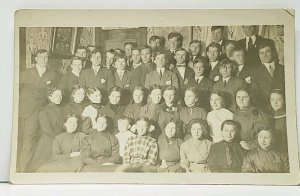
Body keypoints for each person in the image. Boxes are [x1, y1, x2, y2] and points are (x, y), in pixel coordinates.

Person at [18, 49, 59, 172]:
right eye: (41, 57)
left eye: (46, 57)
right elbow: (15, 91)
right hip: (28, 112)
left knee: (42, 140)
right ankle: (22, 171)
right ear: (35, 58)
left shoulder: (53, 75)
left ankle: (37, 169)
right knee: (27, 141)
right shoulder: (25, 73)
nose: (44, 59)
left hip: (43, 112)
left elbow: (53, 93)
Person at [28, 87, 64, 172]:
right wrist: (58, 139)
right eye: (56, 95)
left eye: (60, 95)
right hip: (48, 141)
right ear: (50, 97)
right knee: (41, 164)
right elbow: (46, 129)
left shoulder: (61, 109)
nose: (59, 97)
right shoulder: (45, 110)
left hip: (59, 139)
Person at [255, 41, 285, 112]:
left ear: (273, 52)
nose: (264, 55)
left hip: (284, 108)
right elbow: (255, 94)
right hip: (265, 110)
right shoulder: (256, 73)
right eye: (261, 53)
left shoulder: (283, 69)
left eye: (267, 52)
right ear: (259, 55)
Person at [270, 89, 287, 153]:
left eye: (279, 100)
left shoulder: (286, 116)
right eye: (273, 100)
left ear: (284, 101)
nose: (275, 102)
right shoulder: (269, 115)